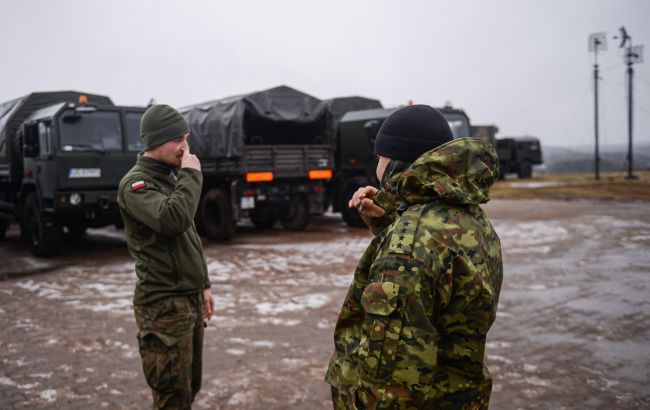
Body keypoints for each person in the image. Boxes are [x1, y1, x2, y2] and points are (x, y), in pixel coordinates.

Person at [325, 105, 503, 409]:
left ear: (394, 161)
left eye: (379, 157)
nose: (376, 166)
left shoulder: (408, 249)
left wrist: (400, 238)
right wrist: (389, 221)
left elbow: (391, 386)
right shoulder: (472, 218)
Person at [117, 104, 214, 409]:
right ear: (155, 142)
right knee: (172, 395)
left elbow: (189, 237)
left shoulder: (170, 177)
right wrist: (190, 175)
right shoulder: (136, 185)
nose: (185, 146)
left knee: (189, 387)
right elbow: (173, 219)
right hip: (162, 305)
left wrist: (204, 284)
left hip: (187, 298)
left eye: (186, 137)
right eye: (177, 140)